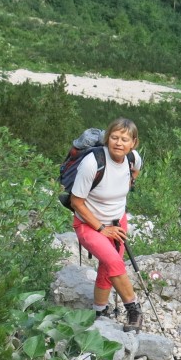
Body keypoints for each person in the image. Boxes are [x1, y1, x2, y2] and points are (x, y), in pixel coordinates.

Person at [69, 118, 145, 333]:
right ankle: (134, 310)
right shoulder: (93, 163)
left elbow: (135, 172)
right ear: (107, 139)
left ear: (133, 143)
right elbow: (76, 202)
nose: (119, 143)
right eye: (114, 137)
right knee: (112, 260)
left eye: (124, 139)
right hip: (89, 224)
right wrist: (102, 229)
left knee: (107, 267)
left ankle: (99, 311)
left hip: (117, 221)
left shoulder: (133, 158)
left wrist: (127, 185)